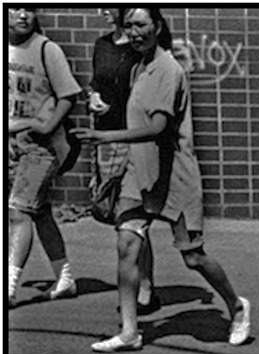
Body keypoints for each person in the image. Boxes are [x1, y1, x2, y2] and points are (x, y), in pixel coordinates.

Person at [77, 7, 250, 353]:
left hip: (174, 177)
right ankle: (129, 331)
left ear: (157, 26)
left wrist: (107, 138)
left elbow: (157, 128)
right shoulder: (138, 66)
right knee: (127, 245)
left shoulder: (168, 69)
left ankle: (237, 306)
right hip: (138, 172)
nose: (134, 32)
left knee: (193, 256)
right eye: (129, 25)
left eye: (141, 24)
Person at [7, 6, 81, 308]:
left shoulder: (46, 49)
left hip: (40, 145)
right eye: (15, 8)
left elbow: (68, 95)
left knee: (18, 211)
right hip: (9, 142)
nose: (23, 15)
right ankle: (64, 278)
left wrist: (47, 125)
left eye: (30, 9)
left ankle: (7, 287)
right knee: (39, 211)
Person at [88, 6, 157, 312]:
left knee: (130, 215)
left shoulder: (142, 47)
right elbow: (98, 81)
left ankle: (145, 287)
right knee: (112, 210)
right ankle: (141, 283)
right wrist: (93, 97)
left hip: (132, 136)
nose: (102, 9)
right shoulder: (102, 44)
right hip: (105, 135)